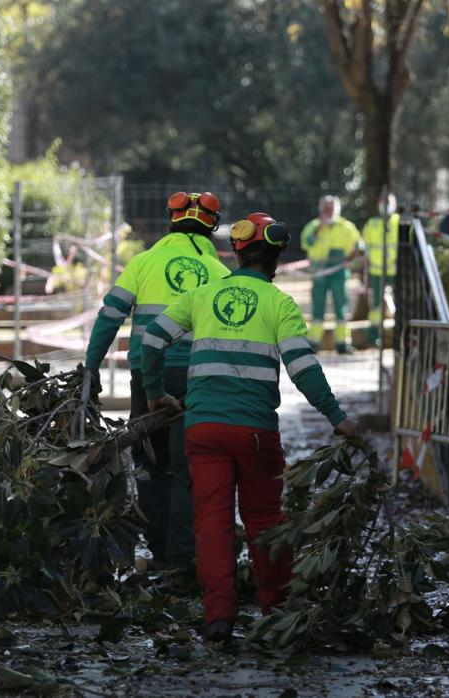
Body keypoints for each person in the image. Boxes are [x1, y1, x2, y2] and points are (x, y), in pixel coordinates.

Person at [141, 212, 359, 642]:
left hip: (202, 430)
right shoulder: (280, 304)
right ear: (276, 257)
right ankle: (276, 613)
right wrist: (338, 419)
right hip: (256, 433)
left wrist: (154, 395)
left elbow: (151, 339)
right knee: (264, 521)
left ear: (235, 252)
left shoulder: (203, 295)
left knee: (212, 523)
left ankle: (218, 618)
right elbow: (303, 369)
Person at [84, 191, 232, 570]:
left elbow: (109, 316)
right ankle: (182, 560)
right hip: (198, 380)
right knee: (187, 469)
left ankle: (161, 550)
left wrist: (90, 367)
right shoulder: (220, 273)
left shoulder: (144, 262)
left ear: (171, 220)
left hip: (147, 376)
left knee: (151, 465)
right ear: (211, 226)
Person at [300, 195, 362, 354]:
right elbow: (305, 243)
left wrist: (353, 256)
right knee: (318, 308)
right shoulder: (313, 226)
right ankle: (313, 343)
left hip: (339, 273)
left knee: (341, 307)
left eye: (331, 209)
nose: (328, 212)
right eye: (326, 209)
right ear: (321, 210)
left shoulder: (346, 227)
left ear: (337, 210)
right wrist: (318, 229)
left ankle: (342, 343)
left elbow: (358, 246)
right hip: (319, 273)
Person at [361, 193, 399, 347]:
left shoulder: (399, 222)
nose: (385, 205)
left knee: (400, 302)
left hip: (395, 270)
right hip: (376, 271)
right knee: (376, 304)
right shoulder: (371, 224)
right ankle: (373, 335)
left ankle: (399, 333)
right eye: (382, 202)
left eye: (388, 202)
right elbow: (364, 245)